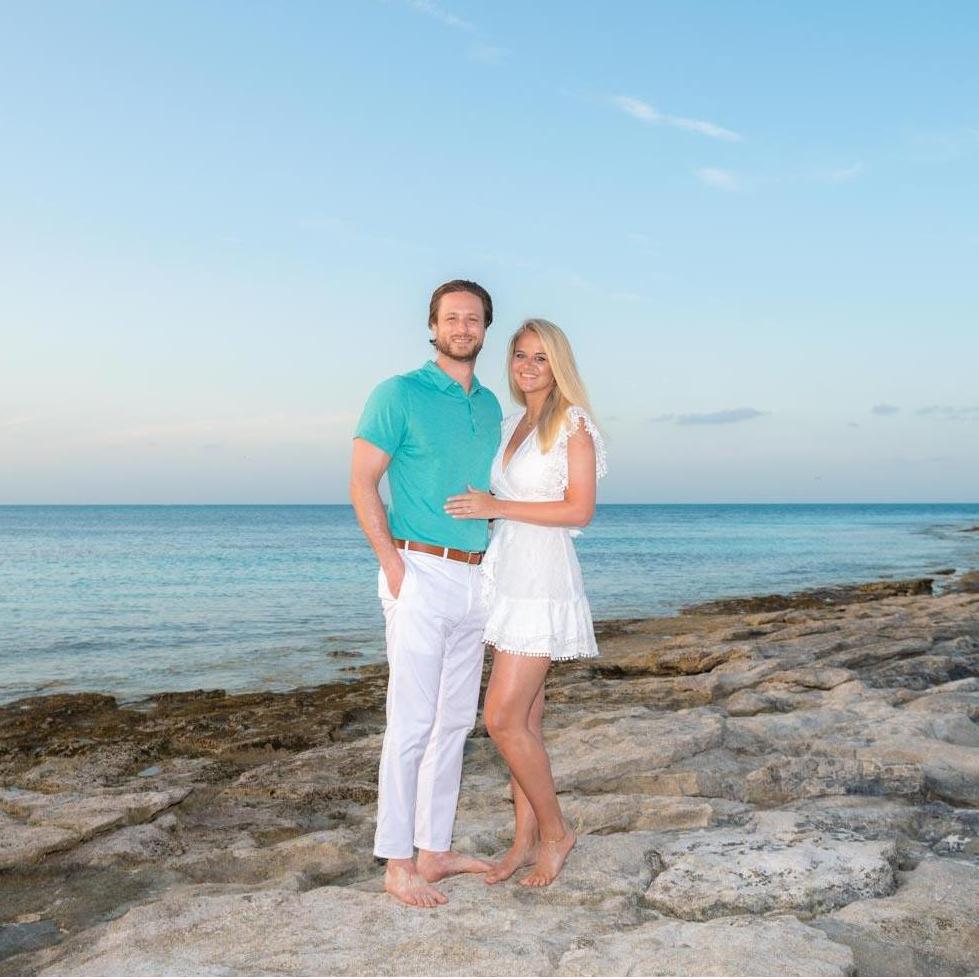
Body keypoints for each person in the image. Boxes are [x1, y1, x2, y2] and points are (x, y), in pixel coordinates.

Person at [349, 279, 503, 907]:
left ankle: (434, 850)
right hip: (420, 569)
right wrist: (390, 562)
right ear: (433, 326)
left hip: (479, 575)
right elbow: (362, 483)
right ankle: (395, 861)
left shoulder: (492, 404)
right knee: (410, 720)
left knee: (456, 722)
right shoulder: (398, 394)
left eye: (473, 319)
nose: (462, 328)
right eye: (451, 318)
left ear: (485, 329)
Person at [445, 318, 606, 887]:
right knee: (528, 721)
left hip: (542, 577)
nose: (528, 367)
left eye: (540, 357)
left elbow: (579, 510)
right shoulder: (514, 421)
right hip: (508, 572)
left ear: (558, 363)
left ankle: (558, 833)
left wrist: (499, 506)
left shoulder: (573, 424)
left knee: (502, 718)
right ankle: (523, 841)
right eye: (519, 356)